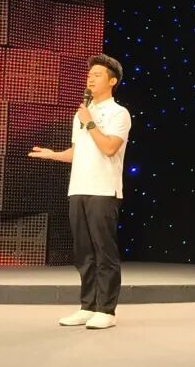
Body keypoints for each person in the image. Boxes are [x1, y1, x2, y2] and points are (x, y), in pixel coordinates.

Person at [28, 55, 131, 329]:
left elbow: (109, 147)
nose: (90, 78)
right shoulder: (81, 114)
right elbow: (78, 152)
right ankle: (88, 306)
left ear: (112, 81)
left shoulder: (119, 113)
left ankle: (106, 310)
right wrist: (53, 154)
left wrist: (90, 122)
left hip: (103, 190)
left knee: (104, 252)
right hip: (78, 188)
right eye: (90, 74)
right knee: (83, 253)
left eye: (97, 74)